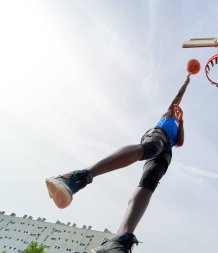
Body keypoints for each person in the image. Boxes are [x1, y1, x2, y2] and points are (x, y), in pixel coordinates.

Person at [45, 74, 192, 253]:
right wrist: (185, 83)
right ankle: (76, 178)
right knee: (152, 147)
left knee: (149, 182)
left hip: (167, 149)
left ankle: (119, 241)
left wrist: (182, 121)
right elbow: (177, 98)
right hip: (158, 137)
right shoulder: (168, 115)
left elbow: (180, 142)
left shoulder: (177, 129)